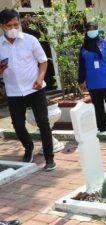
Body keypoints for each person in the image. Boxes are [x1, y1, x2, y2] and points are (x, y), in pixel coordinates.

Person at [0, 9, 56, 171]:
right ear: (2, 26)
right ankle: (29, 147)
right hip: (14, 92)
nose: (13, 28)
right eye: (9, 25)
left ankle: (49, 156)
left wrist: (40, 79)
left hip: (35, 89)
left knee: (43, 123)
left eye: (16, 24)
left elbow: (43, 62)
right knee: (17, 125)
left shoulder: (30, 40)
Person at [78, 21, 106, 131]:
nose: (92, 31)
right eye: (89, 29)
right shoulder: (83, 48)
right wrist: (80, 81)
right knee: (98, 107)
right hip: (93, 82)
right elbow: (82, 66)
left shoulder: (105, 44)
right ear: (86, 31)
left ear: (97, 30)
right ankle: (102, 127)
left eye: (94, 29)